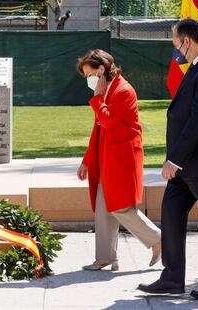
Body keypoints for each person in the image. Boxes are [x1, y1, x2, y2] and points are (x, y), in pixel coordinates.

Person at [138, 19, 198, 299]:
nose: (177, 51)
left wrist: (175, 159)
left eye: (176, 45)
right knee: (170, 212)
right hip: (186, 166)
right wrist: (177, 160)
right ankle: (172, 278)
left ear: (187, 41)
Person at [76, 49, 161, 271]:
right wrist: (87, 160)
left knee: (120, 207)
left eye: (89, 74)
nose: (88, 79)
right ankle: (105, 257)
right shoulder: (106, 90)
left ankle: (158, 240)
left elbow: (109, 121)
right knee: (104, 206)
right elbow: (98, 129)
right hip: (108, 158)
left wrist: (96, 100)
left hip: (122, 159)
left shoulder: (123, 90)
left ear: (101, 69)